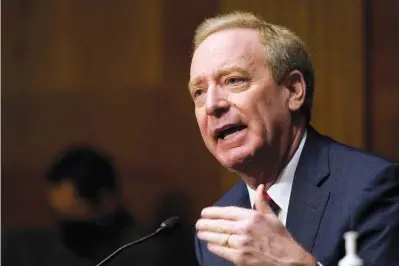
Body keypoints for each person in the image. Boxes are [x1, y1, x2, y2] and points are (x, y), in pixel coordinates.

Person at [189, 11, 399, 266]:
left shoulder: (371, 189)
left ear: (293, 90)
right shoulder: (219, 230)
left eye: (233, 80)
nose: (212, 104)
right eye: (199, 92)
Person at [2, 145, 162, 266]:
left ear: (106, 202)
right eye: (58, 213)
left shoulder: (142, 253)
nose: (65, 224)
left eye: (73, 212)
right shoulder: (46, 248)